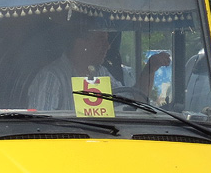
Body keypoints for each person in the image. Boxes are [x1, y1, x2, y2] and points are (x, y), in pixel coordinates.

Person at [28, 22, 170, 112]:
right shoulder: (52, 77)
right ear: (80, 43)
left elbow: (134, 101)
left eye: (107, 40)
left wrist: (149, 70)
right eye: (101, 40)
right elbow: (41, 128)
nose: (108, 46)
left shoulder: (102, 73)